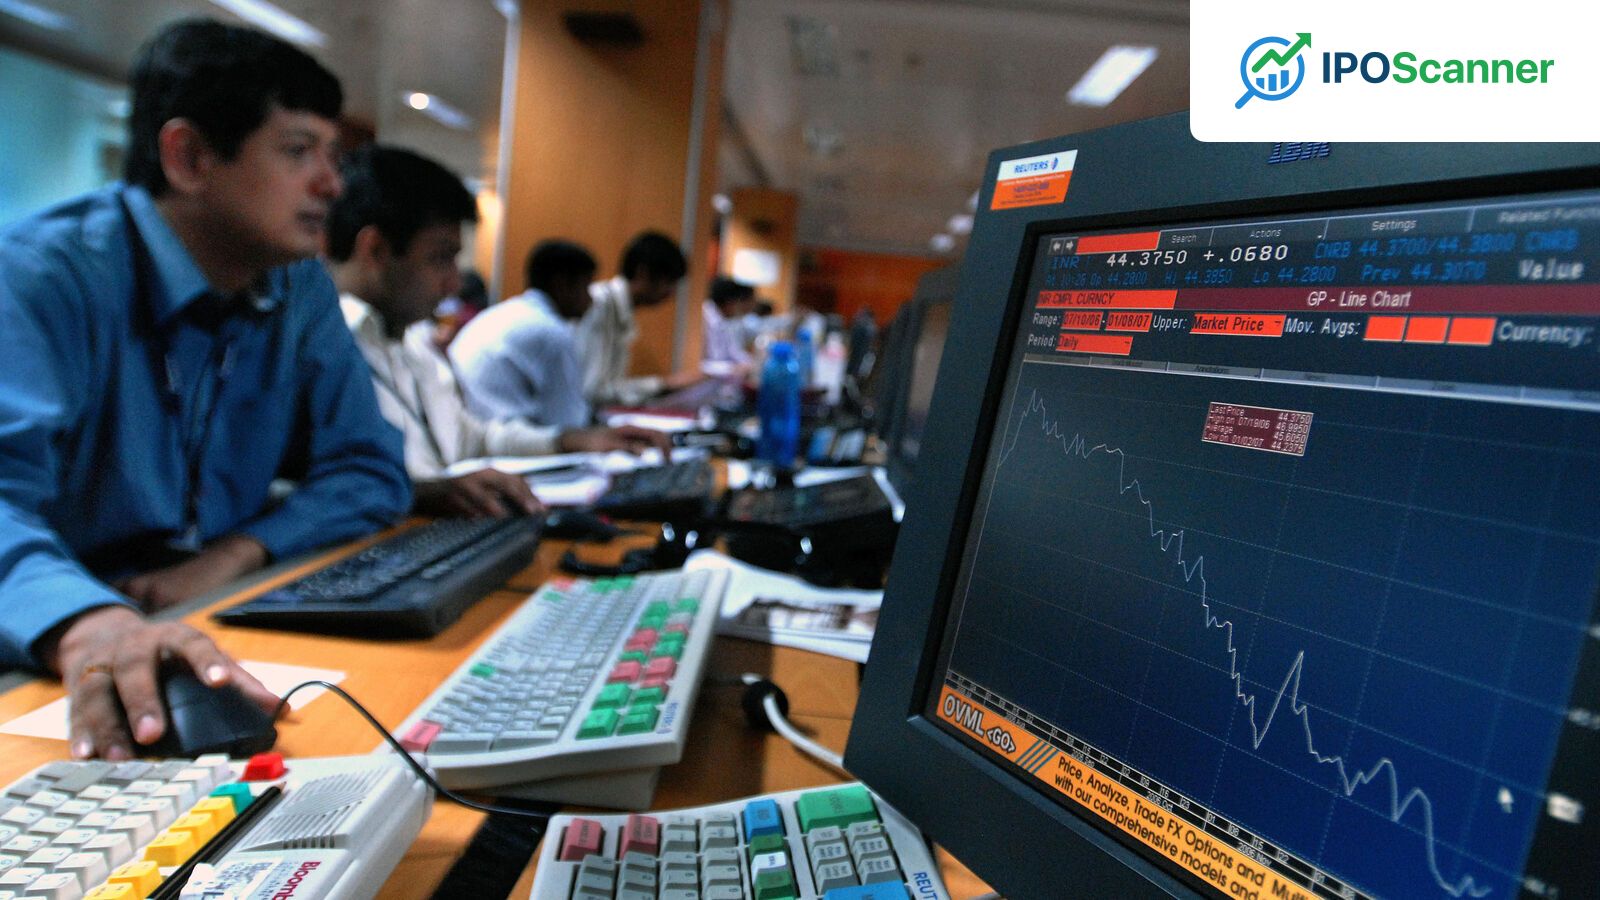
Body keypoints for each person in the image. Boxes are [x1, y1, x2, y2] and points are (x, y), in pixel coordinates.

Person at [0, 19, 412, 759]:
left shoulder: (296, 286)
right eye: (298, 151)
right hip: (55, 649)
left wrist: (236, 555)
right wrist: (88, 622)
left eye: (333, 156)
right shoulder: (39, 279)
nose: (332, 184)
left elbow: (368, 465)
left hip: (208, 617)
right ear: (188, 157)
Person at [327, 145, 672, 513]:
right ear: (376, 251)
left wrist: (569, 440)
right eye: (440, 259)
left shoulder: (411, 339)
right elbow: (321, 489)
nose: (454, 283)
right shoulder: (322, 345)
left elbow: (470, 439)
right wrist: (424, 494)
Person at [450, 241, 600, 428]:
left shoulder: (506, 312)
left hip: (463, 425)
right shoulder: (552, 332)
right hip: (495, 435)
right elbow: (568, 422)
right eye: (586, 286)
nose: (591, 299)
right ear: (561, 285)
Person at [578, 231, 700, 407]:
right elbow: (592, 391)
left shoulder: (617, 306)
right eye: (669, 282)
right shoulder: (599, 304)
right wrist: (662, 386)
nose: (671, 293)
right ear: (642, 272)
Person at [702, 276, 758, 373]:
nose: (740, 309)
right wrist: (734, 368)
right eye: (739, 304)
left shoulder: (723, 319)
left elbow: (733, 351)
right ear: (730, 303)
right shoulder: (706, 318)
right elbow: (712, 361)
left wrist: (750, 363)